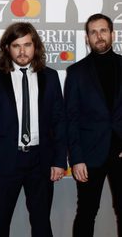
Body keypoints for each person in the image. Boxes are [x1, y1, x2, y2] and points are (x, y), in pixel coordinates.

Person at [0, 22, 67, 237]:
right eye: (16, 45)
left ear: (35, 46)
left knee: (42, 225)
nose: (22, 51)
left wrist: (58, 160)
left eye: (27, 45)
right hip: (4, 161)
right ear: (7, 48)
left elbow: (59, 121)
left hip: (41, 161)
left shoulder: (51, 77)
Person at [65, 13, 122, 237]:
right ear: (87, 38)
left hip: (120, 153)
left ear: (113, 34)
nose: (99, 36)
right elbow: (71, 118)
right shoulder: (76, 72)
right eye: (93, 32)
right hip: (89, 155)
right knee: (87, 212)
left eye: (103, 31)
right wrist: (76, 158)